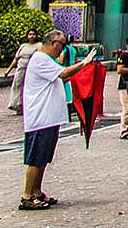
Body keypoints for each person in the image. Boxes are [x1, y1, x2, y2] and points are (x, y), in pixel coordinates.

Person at [20, 30, 97, 210]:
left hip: (49, 118)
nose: (62, 50)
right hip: (40, 118)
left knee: (44, 157)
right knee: (35, 158)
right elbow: (63, 74)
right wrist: (84, 63)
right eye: (62, 45)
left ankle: (36, 191)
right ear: (54, 43)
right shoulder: (40, 59)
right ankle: (27, 195)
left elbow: (63, 77)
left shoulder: (48, 61)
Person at [8, 33, 40, 115]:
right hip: (20, 68)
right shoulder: (23, 46)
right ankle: (16, 105)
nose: (32, 36)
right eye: (30, 34)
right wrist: (8, 70)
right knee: (17, 86)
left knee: (28, 88)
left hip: (31, 70)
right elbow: (16, 58)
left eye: (33, 34)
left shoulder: (38, 45)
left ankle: (27, 106)